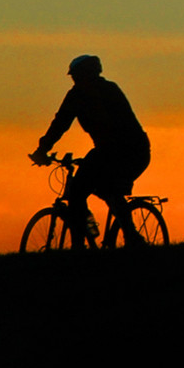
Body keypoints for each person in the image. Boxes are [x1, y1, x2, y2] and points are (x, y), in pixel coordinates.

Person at [29, 55, 151, 247]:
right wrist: (42, 149)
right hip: (108, 151)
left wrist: (97, 156)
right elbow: (60, 123)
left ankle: (131, 236)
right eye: (74, 77)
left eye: (78, 76)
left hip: (132, 151)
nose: (76, 81)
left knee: (98, 188)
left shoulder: (108, 91)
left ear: (90, 74)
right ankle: (87, 235)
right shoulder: (76, 96)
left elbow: (120, 126)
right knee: (86, 190)